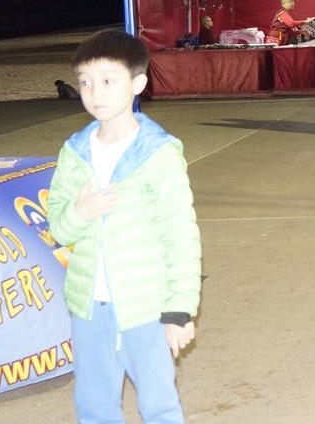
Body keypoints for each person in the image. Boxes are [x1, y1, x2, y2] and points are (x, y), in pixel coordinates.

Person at [46, 30, 201, 424]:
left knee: (159, 404)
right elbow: (60, 228)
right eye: (85, 82)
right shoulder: (74, 151)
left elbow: (179, 233)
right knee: (95, 406)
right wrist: (82, 212)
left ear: (138, 84)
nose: (95, 92)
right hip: (88, 307)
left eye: (108, 81)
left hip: (144, 306)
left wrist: (179, 309)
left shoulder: (158, 153)